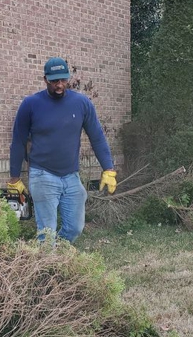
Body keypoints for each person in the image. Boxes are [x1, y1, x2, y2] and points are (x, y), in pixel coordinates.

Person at [7, 57, 117, 243]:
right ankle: (49, 267)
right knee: (46, 232)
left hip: (71, 176)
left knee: (75, 228)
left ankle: (57, 256)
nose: (59, 85)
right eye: (54, 81)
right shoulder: (31, 104)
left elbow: (97, 136)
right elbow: (18, 142)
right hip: (42, 175)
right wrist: (14, 178)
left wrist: (108, 168)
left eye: (63, 80)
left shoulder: (82, 103)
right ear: (45, 79)